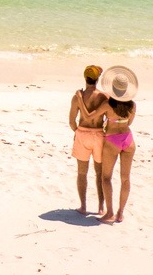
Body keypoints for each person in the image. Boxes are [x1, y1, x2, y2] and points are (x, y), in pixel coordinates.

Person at [88, 67, 138, 224]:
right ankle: (120, 213)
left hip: (112, 141)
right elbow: (129, 122)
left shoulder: (107, 106)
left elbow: (91, 116)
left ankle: (109, 212)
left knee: (106, 177)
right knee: (125, 179)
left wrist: (81, 103)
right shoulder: (132, 105)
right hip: (128, 139)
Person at [68, 64, 107, 215]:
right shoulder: (104, 96)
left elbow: (72, 121)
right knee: (100, 173)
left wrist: (77, 132)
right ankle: (101, 207)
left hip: (82, 134)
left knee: (82, 173)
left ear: (85, 78)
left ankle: (83, 206)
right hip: (98, 135)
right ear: (97, 79)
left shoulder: (77, 97)